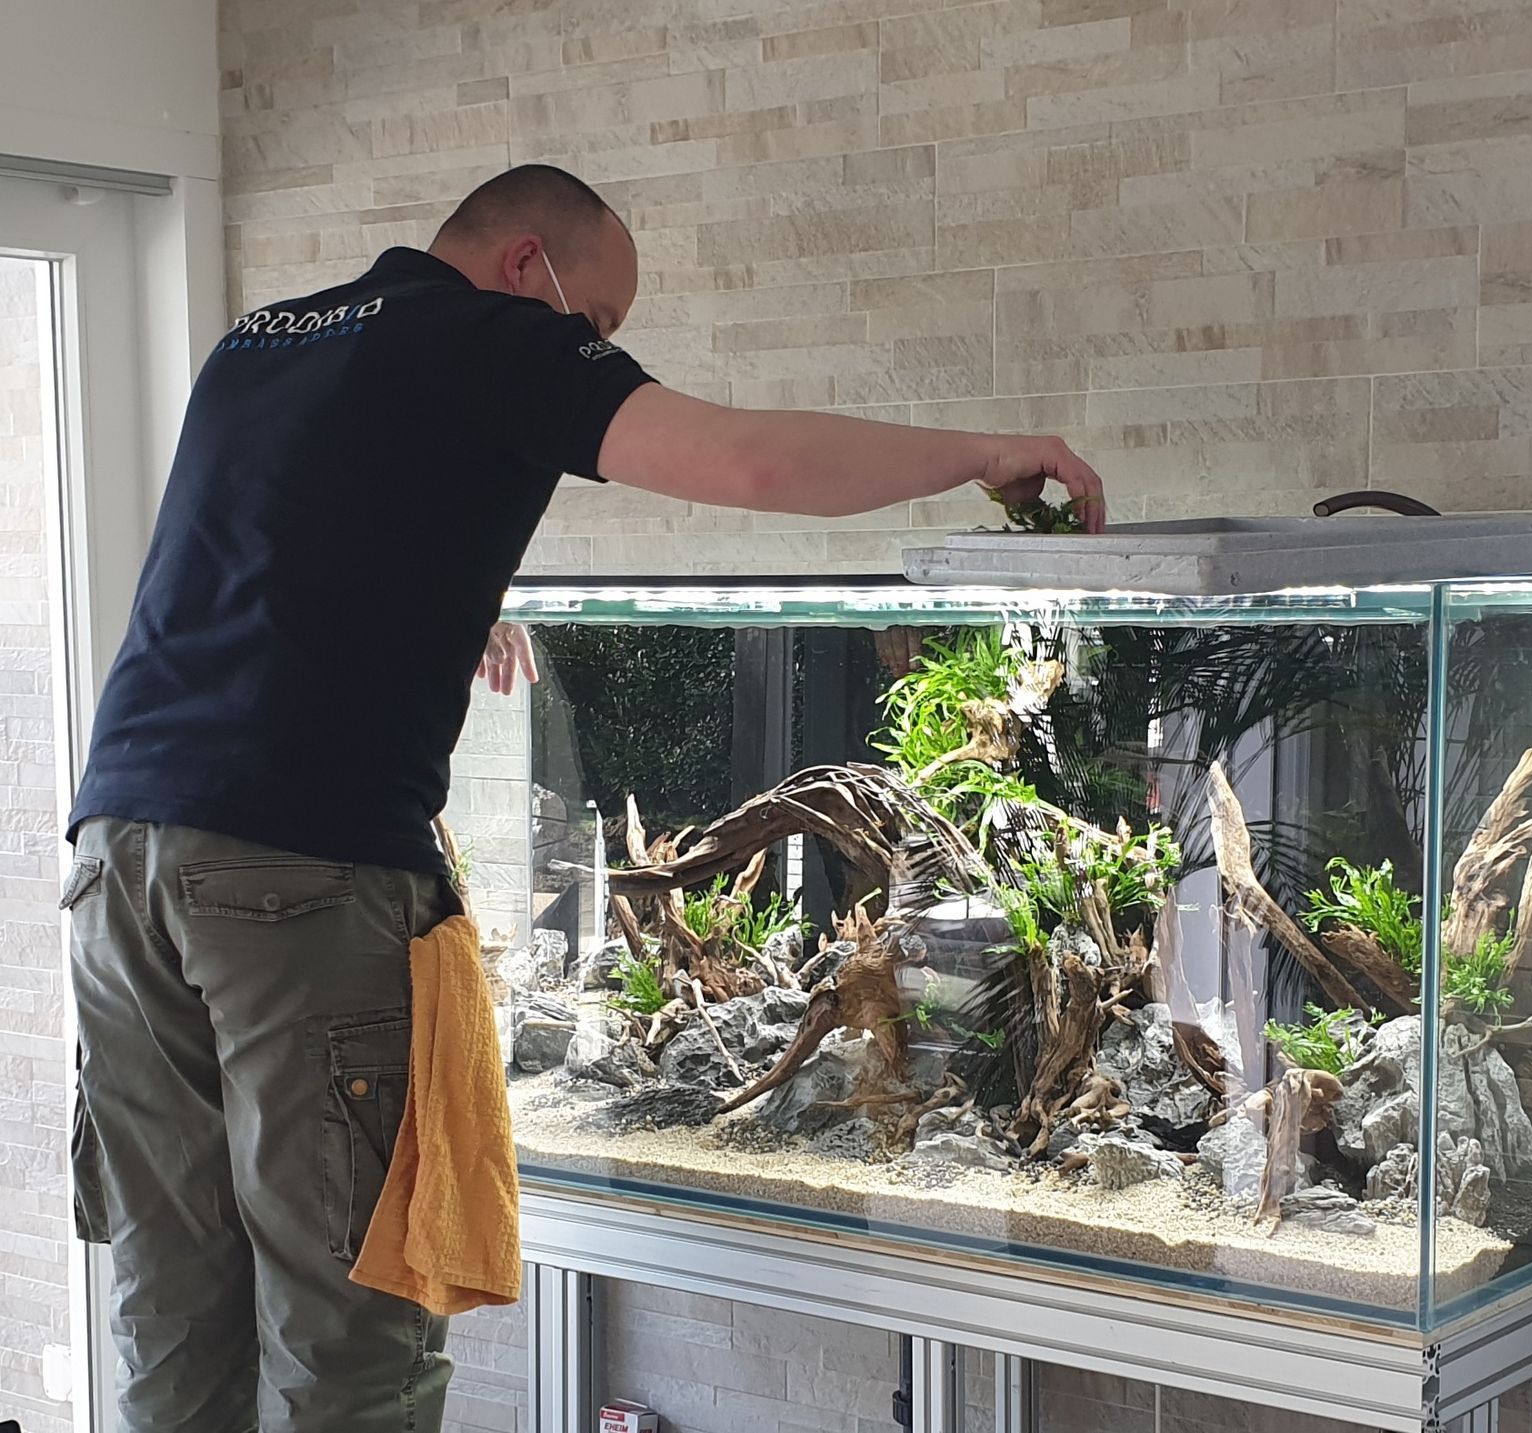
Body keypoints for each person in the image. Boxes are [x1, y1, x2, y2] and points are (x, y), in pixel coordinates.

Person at [62, 163, 1107, 1433]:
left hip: (118, 861)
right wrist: (985, 453)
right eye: (595, 323)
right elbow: (752, 460)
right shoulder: (491, 340)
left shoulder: (262, 339)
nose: (594, 350)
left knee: (174, 1325)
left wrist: (448, 605)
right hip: (298, 874)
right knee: (350, 1346)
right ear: (523, 267)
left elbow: (268, 552)